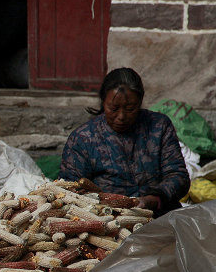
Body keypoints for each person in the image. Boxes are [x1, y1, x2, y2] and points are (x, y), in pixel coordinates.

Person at [59, 67, 190, 217]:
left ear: (140, 102)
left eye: (130, 108)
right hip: (107, 221)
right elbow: (69, 189)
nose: (121, 116)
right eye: (113, 108)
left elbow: (178, 176)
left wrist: (153, 199)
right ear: (103, 102)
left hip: (160, 215)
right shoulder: (83, 138)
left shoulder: (159, 127)